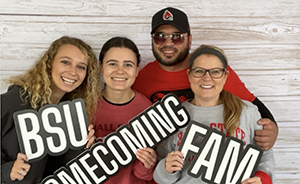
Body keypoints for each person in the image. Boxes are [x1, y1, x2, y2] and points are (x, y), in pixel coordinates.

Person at [132, 7, 278, 151]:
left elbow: (253, 105)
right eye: (160, 36)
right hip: (165, 161)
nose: (168, 43)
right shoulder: (141, 78)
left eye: (177, 37)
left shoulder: (212, 70)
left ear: (189, 40)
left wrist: (273, 129)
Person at [153, 45, 274, 184]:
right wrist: (167, 169)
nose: (207, 78)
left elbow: (265, 154)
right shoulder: (175, 115)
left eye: (215, 72)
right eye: (199, 71)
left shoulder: (247, 111)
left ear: (225, 76)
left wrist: (262, 179)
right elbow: (159, 169)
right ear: (189, 75)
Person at [1, 36, 102, 184]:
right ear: (49, 64)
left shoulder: (71, 112)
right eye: (65, 62)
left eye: (81, 67)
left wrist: (85, 148)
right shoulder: (18, 99)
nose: (73, 72)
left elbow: (63, 169)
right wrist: (6, 171)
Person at [94, 36, 156, 184]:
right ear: (101, 67)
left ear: (137, 70)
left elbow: (145, 176)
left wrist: (147, 164)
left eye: (128, 65)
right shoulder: (86, 107)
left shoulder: (148, 111)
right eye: (112, 64)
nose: (120, 71)